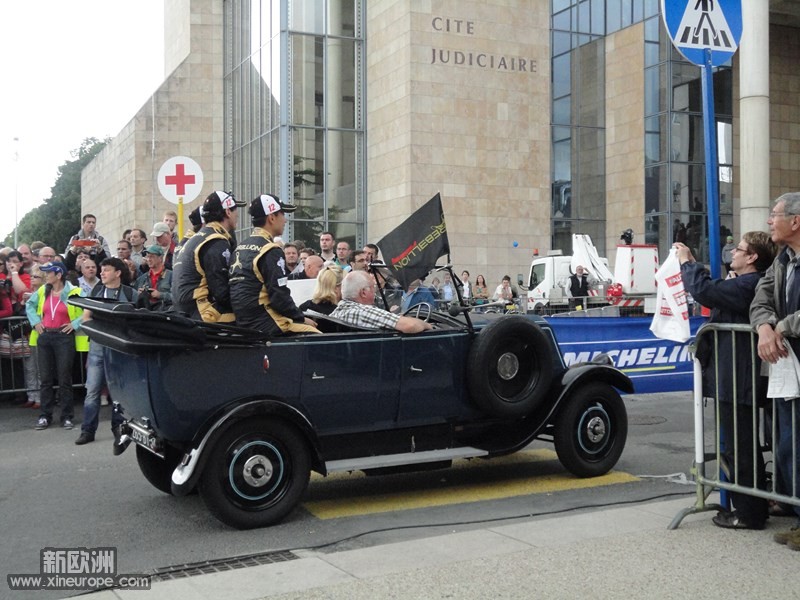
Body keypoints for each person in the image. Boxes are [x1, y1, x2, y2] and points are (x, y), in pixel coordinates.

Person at [677, 232, 776, 530]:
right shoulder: (743, 282)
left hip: (739, 377)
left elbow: (706, 292)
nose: (732, 252)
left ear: (752, 258)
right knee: (737, 444)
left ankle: (749, 512)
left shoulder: (749, 284)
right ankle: (750, 505)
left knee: (741, 445)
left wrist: (688, 265)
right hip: (733, 375)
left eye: (739, 249)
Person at [750, 192, 800, 546]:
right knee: (788, 445)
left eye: (775, 215)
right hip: (789, 370)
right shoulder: (782, 260)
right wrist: (765, 326)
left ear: (795, 222)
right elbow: (760, 298)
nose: (769, 222)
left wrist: (782, 327)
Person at [229, 194, 319, 335]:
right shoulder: (270, 249)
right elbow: (279, 297)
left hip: (243, 321)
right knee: (316, 334)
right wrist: (301, 318)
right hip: (264, 322)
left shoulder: (241, 246)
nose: (285, 220)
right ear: (271, 217)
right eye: (282, 214)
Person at [75, 258, 138, 447]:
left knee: (118, 393)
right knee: (92, 390)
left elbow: (137, 321)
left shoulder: (130, 294)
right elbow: (86, 318)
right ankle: (87, 430)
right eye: (101, 270)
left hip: (120, 350)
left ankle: (118, 429)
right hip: (97, 349)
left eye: (106, 270)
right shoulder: (95, 291)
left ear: (118, 273)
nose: (101, 273)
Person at [26, 261, 87, 431]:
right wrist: (35, 322)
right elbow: (29, 305)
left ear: (58, 275)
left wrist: (74, 324)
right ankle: (45, 416)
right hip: (45, 337)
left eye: (48, 272)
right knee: (45, 379)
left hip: (63, 338)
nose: (45, 275)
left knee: (64, 378)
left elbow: (87, 311)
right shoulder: (42, 291)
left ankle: (66, 416)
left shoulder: (75, 291)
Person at [172, 191, 243, 323]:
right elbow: (221, 291)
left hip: (185, 311)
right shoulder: (215, 241)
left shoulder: (198, 237)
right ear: (228, 212)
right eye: (235, 210)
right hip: (202, 314)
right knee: (253, 319)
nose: (237, 214)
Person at [332, 270, 432, 333]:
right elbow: (410, 325)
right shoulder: (363, 311)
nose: (375, 292)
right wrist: (427, 325)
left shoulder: (335, 313)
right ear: (363, 293)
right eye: (372, 288)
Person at [134, 245, 173, 311]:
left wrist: (160, 295)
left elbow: (178, 297)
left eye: (152, 257)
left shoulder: (172, 276)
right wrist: (139, 294)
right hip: (146, 313)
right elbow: (133, 298)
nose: (149, 259)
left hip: (164, 313)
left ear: (160, 258)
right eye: (147, 256)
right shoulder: (141, 279)